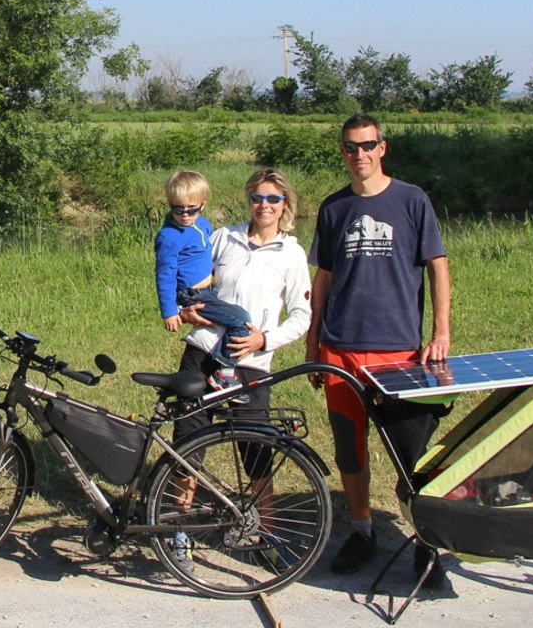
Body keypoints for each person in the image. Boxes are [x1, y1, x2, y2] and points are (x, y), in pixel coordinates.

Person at [305, 113, 452, 587]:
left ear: (382, 148)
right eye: (350, 147)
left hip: (399, 351)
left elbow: (437, 266)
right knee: (351, 450)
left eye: (367, 145)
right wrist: (313, 342)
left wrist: (441, 331)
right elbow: (323, 278)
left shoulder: (412, 200)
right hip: (340, 349)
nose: (359, 154)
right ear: (343, 151)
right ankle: (362, 529)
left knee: (411, 453)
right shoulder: (334, 208)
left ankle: (426, 542)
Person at [171, 167, 313, 570]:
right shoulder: (223, 237)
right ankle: (180, 534)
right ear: (247, 200)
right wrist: (188, 311)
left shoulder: (292, 253)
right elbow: (193, 282)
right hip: (202, 352)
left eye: (272, 198)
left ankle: (266, 533)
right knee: (187, 443)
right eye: (257, 197)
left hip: (251, 364)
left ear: (285, 204)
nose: (263, 205)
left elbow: (302, 316)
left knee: (256, 451)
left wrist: (263, 340)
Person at [154, 170, 251, 390]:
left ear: (203, 205)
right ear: (170, 204)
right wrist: (169, 311)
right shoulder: (169, 236)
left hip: (209, 289)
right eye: (178, 209)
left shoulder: (204, 225)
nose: (185, 215)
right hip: (193, 295)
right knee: (241, 319)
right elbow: (164, 275)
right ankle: (224, 372)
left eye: (192, 209)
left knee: (230, 319)